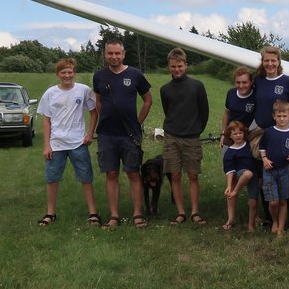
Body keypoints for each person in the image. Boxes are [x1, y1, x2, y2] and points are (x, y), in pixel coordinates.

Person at [93, 38, 153, 229]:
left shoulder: (135, 74)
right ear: (105, 55)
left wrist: (138, 122)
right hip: (107, 135)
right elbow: (99, 101)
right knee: (111, 174)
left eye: (117, 53)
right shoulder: (99, 76)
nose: (114, 57)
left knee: (133, 173)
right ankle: (114, 215)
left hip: (129, 135)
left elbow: (147, 100)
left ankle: (137, 214)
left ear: (123, 54)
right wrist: (105, 118)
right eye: (110, 53)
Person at [36, 58, 99, 227]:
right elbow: (46, 120)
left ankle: (93, 213)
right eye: (63, 72)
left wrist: (90, 133)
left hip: (78, 142)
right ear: (57, 75)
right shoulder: (50, 93)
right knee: (52, 178)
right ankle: (50, 213)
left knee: (86, 177)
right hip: (56, 144)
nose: (67, 75)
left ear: (74, 73)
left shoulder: (83, 90)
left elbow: (94, 113)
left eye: (70, 72)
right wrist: (47, 145)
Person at [160, 47, 209, 226]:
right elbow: (168, 111)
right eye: (173, 66)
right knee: (174, 175)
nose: (177, 69)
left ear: (186, 65)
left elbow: (204, 112)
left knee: (193, 175)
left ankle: (195, 212)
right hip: (171, 136)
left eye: (180, 66)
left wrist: (195, 129)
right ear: (169, 67)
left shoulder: (197, 86)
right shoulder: (165, 89)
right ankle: (180, 212)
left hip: (191, 137)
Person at [253, 46, 289, 228]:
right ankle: (269, 218)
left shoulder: (288, 82)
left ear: (279, 62)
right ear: (262, 62)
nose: (270, 64)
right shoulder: (258, 80)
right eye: (266, 60)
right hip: (262, 135)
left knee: (285, 176)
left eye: (273, 60)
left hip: (282, 135)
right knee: (265, 177)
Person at [259, 100, 289, 237]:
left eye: (284, 116)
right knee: (274, 201)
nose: (282, 119)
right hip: (269, 170)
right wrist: (264, 159)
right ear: (274, 116)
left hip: (284, 170)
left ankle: (281, 228)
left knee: (283, 200)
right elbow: (262, 147)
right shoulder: (269, 132)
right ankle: (274, 220)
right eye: (279, 116)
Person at [222, 120, 259, 232]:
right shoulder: (230, 152)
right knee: (247, 174)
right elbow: (230, 171)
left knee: (253, 202)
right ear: (230, 136)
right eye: (235, 134)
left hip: (254, 174)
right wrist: (229, 186)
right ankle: (236, 191)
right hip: (239, 174)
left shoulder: (249, 145)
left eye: (240, 133)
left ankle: (250, 225)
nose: (238, 136)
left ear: (244, 133)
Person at [221, 66, 256, 145]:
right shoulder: (231, 93)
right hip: (231, 135)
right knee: (227, 156)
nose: (241, 86)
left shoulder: (256, 96)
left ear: (251, 82)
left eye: (244, 82)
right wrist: (223, 134)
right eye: (238, 82)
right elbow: (226, 113)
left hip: (247, 137)